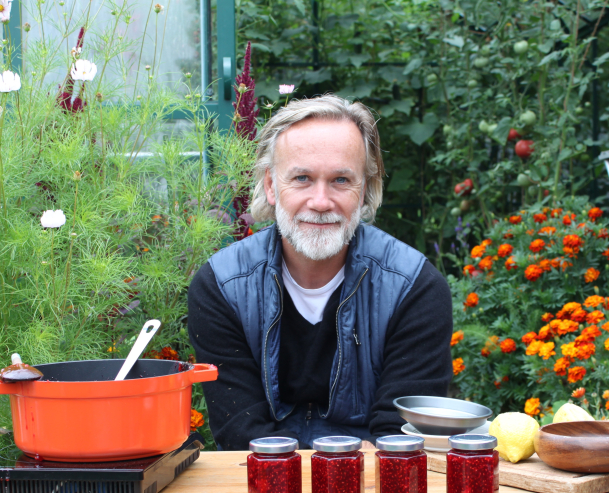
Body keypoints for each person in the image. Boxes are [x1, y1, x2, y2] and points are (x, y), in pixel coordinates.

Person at [187, 94, 452, 450]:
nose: (321, 201)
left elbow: (399, 438)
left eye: (341, 180)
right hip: (262, 483)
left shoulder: (414, 287)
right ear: (270, 185)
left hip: (374, 486)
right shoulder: (221, 287)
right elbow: (241, 433)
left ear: (365, 190)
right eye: (302, 178)